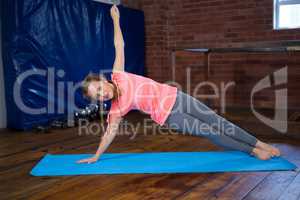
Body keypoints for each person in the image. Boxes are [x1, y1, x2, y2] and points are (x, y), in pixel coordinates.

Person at [77, 5, 281, 164]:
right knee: (211, 132)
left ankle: (260, 143)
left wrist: (115, 19)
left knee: (219, 122)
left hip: (177, 97)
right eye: (98, 96)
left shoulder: (118, 74)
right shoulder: (116, 109)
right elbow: (109, 134)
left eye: (100, 89)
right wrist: (96, 155)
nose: (102, 94)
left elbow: (119, 45)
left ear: (103, 80)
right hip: (169, 116)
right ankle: (253, 151)